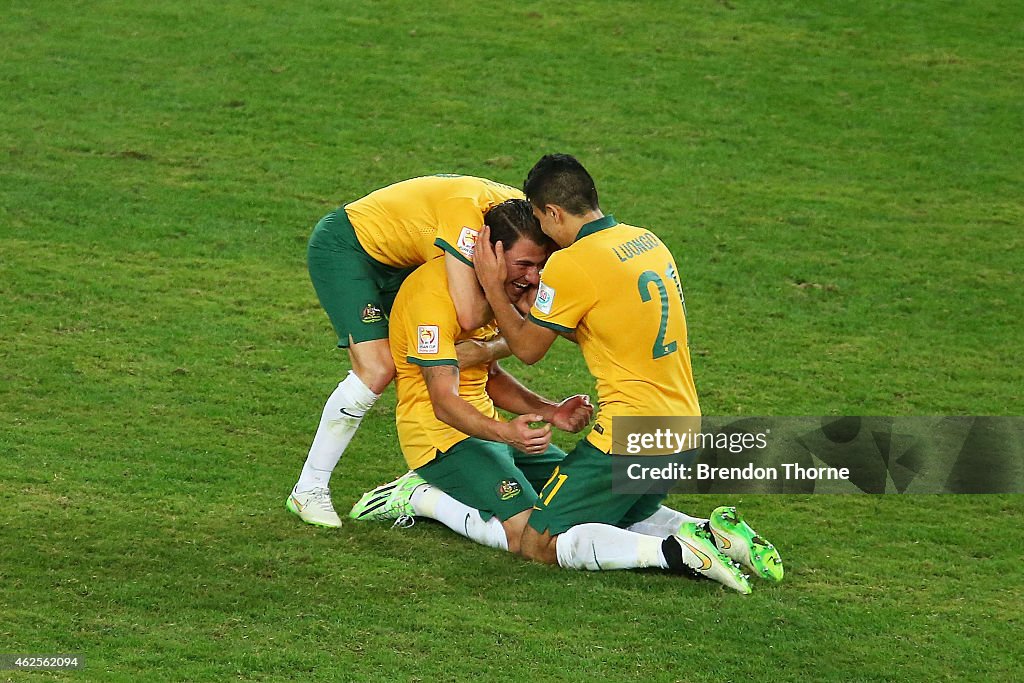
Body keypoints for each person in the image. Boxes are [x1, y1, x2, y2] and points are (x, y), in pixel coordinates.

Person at [469, 154, 784, 592]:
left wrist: (490, 284)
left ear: (554, 212)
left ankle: (677, 553)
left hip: (629, 435)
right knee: (624, 514)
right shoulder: (647, 240)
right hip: (684, 427)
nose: (542, 232)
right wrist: (538, 312)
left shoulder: (574, 263)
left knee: (536, 542)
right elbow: (613, 328)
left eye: (541, 220)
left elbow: (526, 350)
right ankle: (717, 535)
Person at [349, 199, 593, 552]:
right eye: (524, 264)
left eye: (540, 265)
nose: (534, 277)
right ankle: (421, 497)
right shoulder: (432, 299)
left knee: (582, 500)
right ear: (488, 254)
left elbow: (489, 375)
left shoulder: (495, 289)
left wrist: (551, 410)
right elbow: (444, 404)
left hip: (489, 431)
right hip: (442, 441)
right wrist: (506, 433)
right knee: (527, 536)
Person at [287, 175, 521, 528]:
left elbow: (529, 332)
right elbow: (480, 316)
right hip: (352, 249)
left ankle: (635, 512)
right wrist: (501, 320)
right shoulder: (480, 214)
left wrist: (489, 346)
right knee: (378, 368)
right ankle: (309, 488)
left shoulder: (519, 224)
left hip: (631, 419)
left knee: (438, 351)